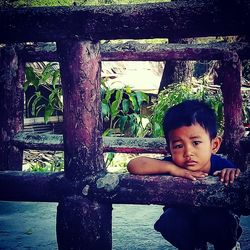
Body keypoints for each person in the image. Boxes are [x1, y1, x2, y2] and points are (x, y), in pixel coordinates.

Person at [127, 100, 242, 250]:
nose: (188, 153)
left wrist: (232, 173)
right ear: (169, 149)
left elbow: (238, 180)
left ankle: (229, 245)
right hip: (184, 219)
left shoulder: (221, 166)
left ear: (214, 145)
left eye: (196, 143)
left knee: (217, 221)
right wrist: (171, 169)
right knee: (170, 221)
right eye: (179, 146)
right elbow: (133, 165)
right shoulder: (173, 164)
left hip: (215, 219)